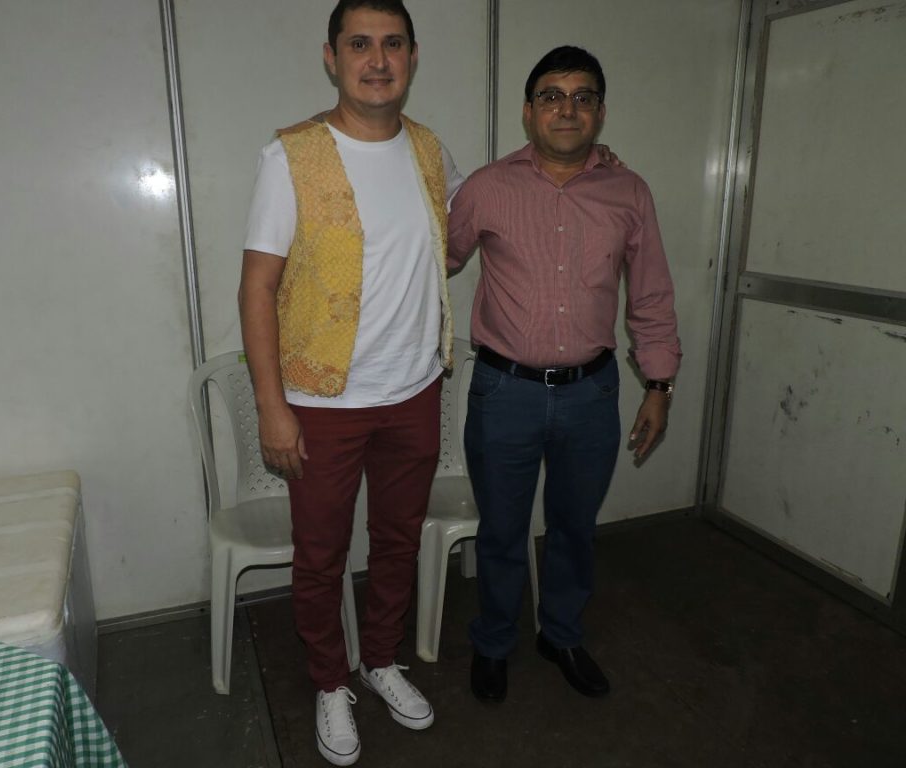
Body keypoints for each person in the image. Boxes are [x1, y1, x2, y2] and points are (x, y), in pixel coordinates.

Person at [237, 1, 464, 764]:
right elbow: (257, 287)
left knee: (398, 539)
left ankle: (381, 660)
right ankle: (331, 682)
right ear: (331, 57)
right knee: (321, 552)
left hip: (414, 390)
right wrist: (272, 406)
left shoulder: (430, 150)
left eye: (392, 44)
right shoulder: (292, 156)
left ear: (412, 56)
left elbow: (458, 236)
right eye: (359, 44)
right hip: (322, 401)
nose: (377, 60)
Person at [447, 45, 682, 703]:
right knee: (501, 530)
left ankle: (561, 633)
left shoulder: (629, 192)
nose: (567, 108)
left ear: (600, 113)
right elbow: (435, 258)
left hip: (591, 394)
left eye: (583, 97)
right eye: (551, 95)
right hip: (504, 393)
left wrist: (659, 385)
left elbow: (652, 295)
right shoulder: (486, 189)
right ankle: (494, 641)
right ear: (529, 112)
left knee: (575, 528)